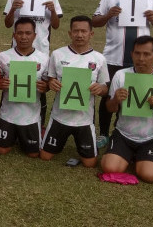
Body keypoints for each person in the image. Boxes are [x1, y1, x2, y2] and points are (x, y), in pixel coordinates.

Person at [92, 0, 153, 148]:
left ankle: (143, 136)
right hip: (113, 56)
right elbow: (95, 21)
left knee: (142, 94)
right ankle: (103, 133)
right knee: (109, 95)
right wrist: (109, 15)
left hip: (142, 58)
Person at [100, 36, 153, 182]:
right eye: (137, 53)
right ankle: (128, 154)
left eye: (146, 54)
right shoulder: (121, 75)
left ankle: (144, 156)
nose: (141, 58)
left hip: (152, 137)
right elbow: (109, 108)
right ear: (131, 54)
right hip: (124, 134)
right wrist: (116, 99)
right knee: (110, 168)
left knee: (149, 175)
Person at [40, 16, 109, 168]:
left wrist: (100, 88)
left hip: (84, 120)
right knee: (45, 156)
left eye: (84, 31)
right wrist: (51, 83)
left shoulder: (99, 59)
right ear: (70, 33)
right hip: (59, 117)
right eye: (76, 31)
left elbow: (105, 89)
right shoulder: (58, 54)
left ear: (91, 34)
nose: (79, 35)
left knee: (90, 164)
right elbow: (49, 80)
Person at [3, 0, 62, 127]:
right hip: (18, 49)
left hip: (41, 48)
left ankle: (39, 123)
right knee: (16, 83)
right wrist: (13, 9)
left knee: (40, 86)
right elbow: (7, 24)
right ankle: (13, 119)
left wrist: (52, 11)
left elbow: (56, 26)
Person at [0, 18, 50, 158]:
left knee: (33, 154)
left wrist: (46, 87)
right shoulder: (3, 56)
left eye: (28, 33)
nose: (24, 37)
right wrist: (0, 84)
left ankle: (32, 132)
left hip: (31, 115)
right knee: (1, 151)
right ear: (14, 35)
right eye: (19, 33)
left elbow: (48, 84)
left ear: (35, 35)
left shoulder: (44, 58)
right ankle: (14, 134)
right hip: (8, 113)